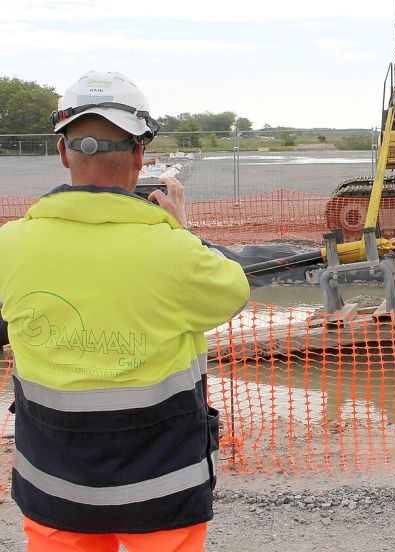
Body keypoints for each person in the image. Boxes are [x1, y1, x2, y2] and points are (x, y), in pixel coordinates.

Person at [0, 71, 249, 551]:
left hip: (55, 486)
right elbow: (228, 291)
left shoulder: (10, 245)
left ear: (62, 152)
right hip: (162, 490)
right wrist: (182, 230)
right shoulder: (175, 253)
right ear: (140, 154)